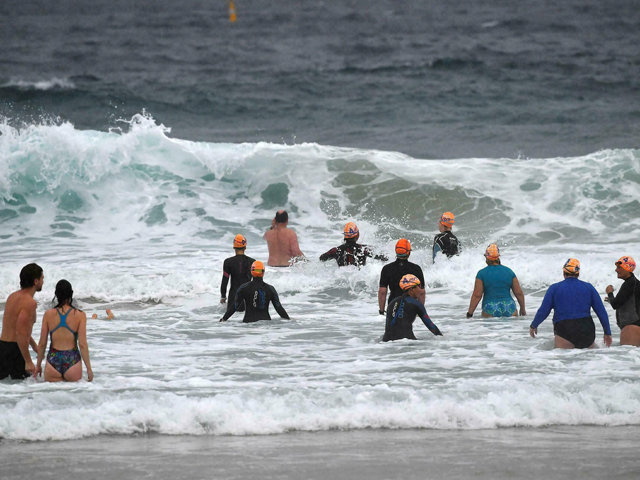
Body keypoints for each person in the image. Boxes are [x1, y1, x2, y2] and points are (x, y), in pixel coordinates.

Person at [530, 258, 612, 349]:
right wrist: (607, 332)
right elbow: (601, 312)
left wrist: (534, 325)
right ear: (578, 273)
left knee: (565, 357)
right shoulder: (589, 287)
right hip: (586, 329)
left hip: (565, 328)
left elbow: (544, 310)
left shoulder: (554, 288)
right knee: (587, 357)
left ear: (563, 272)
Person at [36, 280, 93, 382]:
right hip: (72, 360)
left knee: (52, 391)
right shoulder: (80, 315)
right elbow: (82, 344)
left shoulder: (48, 314)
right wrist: (89, 369)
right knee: (73, 391)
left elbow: (42, 343)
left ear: (56, 294)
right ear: (71, 293)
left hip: (53, 361)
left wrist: (38, 365)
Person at [0, 263, 43, 380]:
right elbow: (20, 332)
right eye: (42, 278)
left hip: (3, 347)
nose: (43, 281)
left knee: (6, 388)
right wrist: (28, 361)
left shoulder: (12, 297)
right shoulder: (30, 302)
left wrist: (34, 346)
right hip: (15, 351)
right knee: (28, 385)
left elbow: (16, 327)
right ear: (35, 281)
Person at [467, 244, 526, 318]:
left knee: (492, 325)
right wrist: (522, 309)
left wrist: (470, 313)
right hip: (509, 306)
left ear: (487, 257)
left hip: (490, 307)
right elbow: (519, 293)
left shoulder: (481, 273)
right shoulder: (509, 271)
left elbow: (477, 296)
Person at [220, 261, 290, 323]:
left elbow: (235, 306)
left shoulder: (244, 288)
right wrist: (289, 321)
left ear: (251, 272)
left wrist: (224, 319)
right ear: (263, 272)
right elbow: (279, 308)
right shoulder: (270, 289)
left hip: (248, 323)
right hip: (266, 325)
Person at [383, 274, 443, 342]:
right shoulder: (416, 304)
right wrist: (443, 339)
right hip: (407, 341)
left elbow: (388, 326)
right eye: (419, 286)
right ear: (411, 289)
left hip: (386, 341)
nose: (420, 290)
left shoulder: (392, 302)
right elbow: (431, 326)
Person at [378, 239, 425, 314]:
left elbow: (382, 292)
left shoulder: (387, 269)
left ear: (396, 251)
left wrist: (381, 311)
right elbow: (421, 292)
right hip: (410, 307)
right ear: (408, 253)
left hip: (393, 307)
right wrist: (420, 312)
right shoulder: (416, 269)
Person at [605, 256, 640, 346]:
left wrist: (610, 293)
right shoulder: (634, 283)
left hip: (632, 327)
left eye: (619, 267)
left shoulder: (630, 283)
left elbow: (615, 304)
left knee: (630, 354)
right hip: (635, 326)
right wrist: (611, 300)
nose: (616, 270)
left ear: (627, 268)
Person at [319, 222, 388, 267]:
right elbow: (384, 258)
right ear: (357, 235)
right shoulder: (364, 249)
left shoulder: (336, 250)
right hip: (358, 280)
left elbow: (322, 258)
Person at [220, 234, 255, 315]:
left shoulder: (228, 262)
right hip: (248, 297)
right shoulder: (252, 262)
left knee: (232, 320)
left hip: (233, 297)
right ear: (245, 247)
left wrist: (223, 296)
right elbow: (256, 281)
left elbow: (225, 281)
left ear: (234, 247)